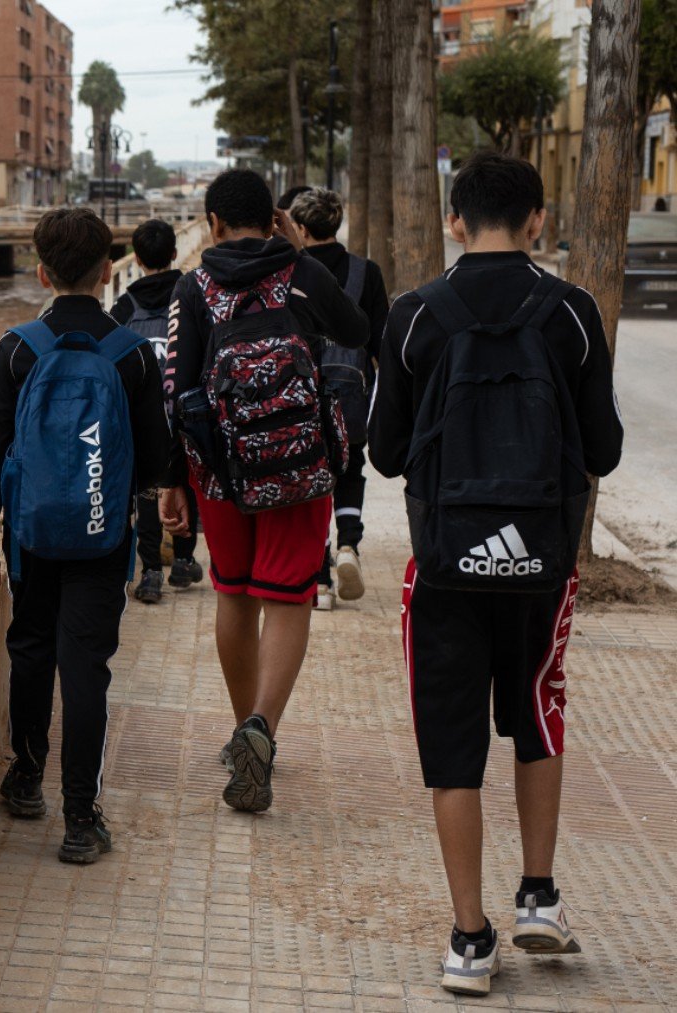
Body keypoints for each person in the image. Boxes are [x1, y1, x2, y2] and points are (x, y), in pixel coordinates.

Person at [367, 152, 623, 997]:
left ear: (453, 220)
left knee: (452, 748)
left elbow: (386, 451)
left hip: (445, 565)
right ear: (538, 221)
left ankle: (470, 941)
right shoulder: (574, 313)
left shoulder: (413, 316)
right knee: (537, 714)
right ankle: (539, 898)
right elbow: (607, 448)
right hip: (542, 565)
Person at [159, 169, 366, 814]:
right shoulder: (300, 274)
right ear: (275, 217)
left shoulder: (194, 286)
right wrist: (300, 255)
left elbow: (179, 386)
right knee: (288, 598)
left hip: (221, 470)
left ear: (212, 223)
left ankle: (240, 726)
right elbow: (356, 331)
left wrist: (174, 482)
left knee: (235, 593)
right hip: (300, 466)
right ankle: (263, 729)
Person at [0, 208, 169, 864]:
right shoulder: (132, 354)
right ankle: (81, 818)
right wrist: (167, 505)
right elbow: (157, 458)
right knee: (86, 667)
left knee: (31, 649)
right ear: (110, 271)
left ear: (41, 272)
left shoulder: (19, 347)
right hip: (103, 536)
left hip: (29, 534)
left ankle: (25, 778)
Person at [286, 187, 391, 609]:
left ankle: (320, 579)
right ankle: (349, 543)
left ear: (303, 228)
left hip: (302, 392)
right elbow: (380, 341)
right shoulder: (367, 272)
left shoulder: (292, 272)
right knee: (350, 469)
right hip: (351, 394)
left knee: (310, 481)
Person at [108, 218, 202, 605]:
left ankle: (149, 573)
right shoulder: (191, 294)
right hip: (185, 409)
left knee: (147, 490)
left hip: (140, 414)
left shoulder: (125, 304)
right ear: (175, 253)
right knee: (185, 481)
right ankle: (182, 560)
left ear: (137, 257)